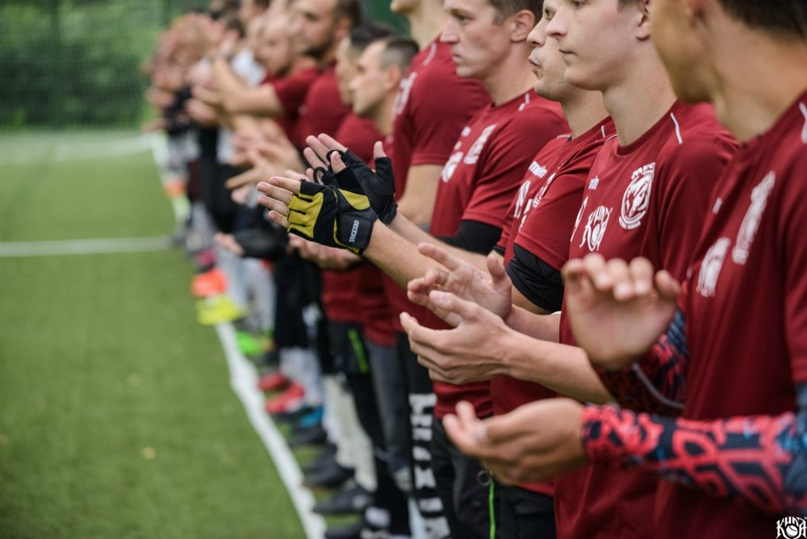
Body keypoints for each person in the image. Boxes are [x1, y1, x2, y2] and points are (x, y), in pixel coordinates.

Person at [442, 0, 807, 537]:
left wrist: (598, 434)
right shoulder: (754, 157)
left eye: (577, 4)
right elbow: (703, 392)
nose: (552, 28)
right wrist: (630, 362)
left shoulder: (759, 156)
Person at [257, 0, 569, 534]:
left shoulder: (535, 124)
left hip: (495, 404)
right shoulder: (496, 120)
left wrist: (367, 234)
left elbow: (507, 295)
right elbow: (489, 277)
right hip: (463, 380)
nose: (446, 37)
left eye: (464, 20)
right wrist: (386, 220)